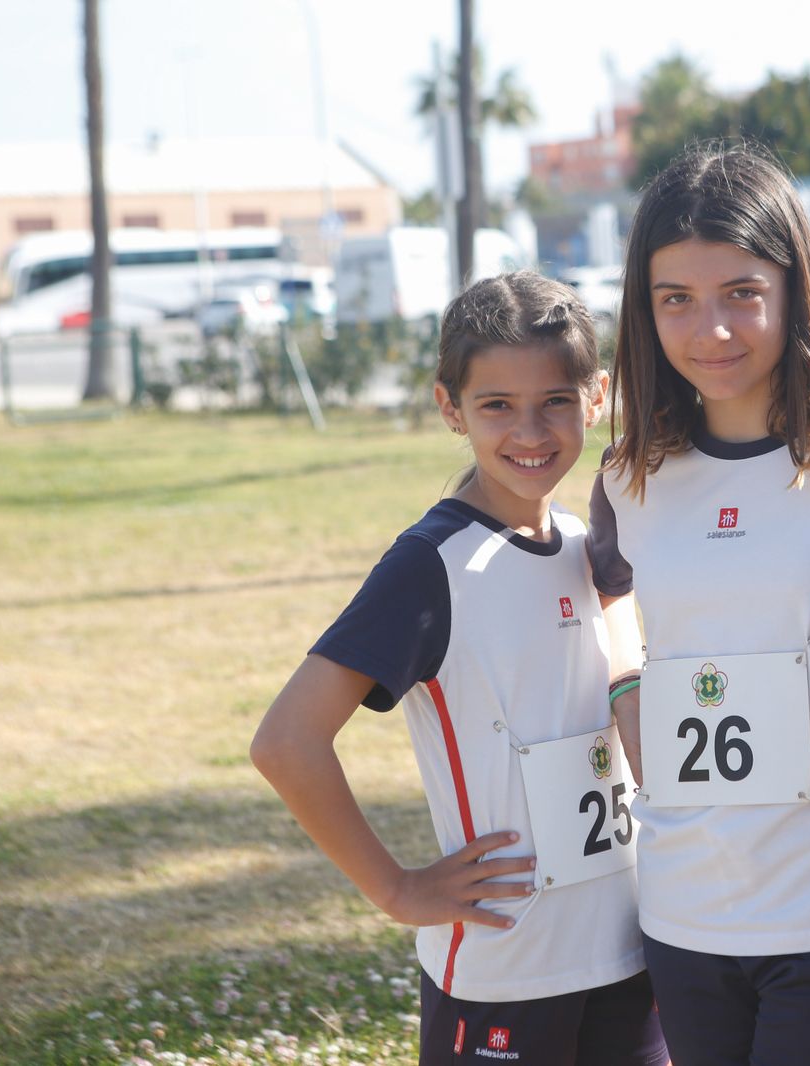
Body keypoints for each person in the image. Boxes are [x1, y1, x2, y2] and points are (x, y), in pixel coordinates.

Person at [250, 273, 666, 1066]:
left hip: (627, 946)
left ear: (597, 395)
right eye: (496, 406)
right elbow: (287, 742)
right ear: (451, 408)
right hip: (504, 967)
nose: (530, 430)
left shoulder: (588, 544)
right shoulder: (431, 566)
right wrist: (397, 890)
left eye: (554, 400)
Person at [587, 141, 810, 1066]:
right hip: (683, 911)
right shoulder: (630, 477)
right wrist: (627, 686)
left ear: (796, 288)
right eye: (676, 300)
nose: (712, 330)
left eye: (742, 291)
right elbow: (605, 596)